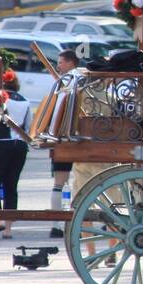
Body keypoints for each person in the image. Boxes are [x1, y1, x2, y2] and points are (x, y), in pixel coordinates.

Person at [0, 76, 32, 239]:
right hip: (19, 144)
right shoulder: (25, 100)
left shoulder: (0, 99)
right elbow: (29, 125)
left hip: (0, 142)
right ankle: (8, 228)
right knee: (11, 185)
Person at [49, 48, 80, 238]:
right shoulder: (80, 80)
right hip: (71, 136)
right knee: (66, 183)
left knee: (60, 183)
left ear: (70, 63)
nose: (58, 66)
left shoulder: (66, 83)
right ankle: (60, 223)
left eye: (61, 62)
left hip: (63, 136)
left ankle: (57, 225)